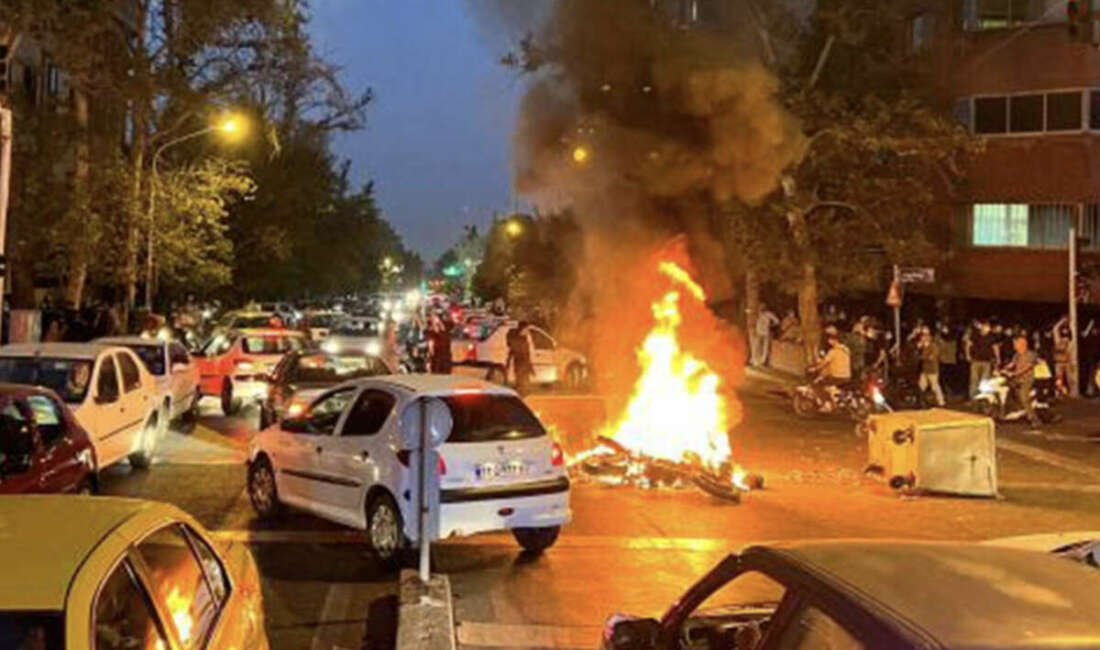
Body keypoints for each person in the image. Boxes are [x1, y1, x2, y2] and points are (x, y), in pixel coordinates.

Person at [1002, 335, 1041, 428]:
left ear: (1022, 344)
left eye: (1016, 344)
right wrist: (1003, 369)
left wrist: (1015, 373)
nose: (1014, 346)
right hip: (1016, 379)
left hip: (1026, 380)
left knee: (1024, 397)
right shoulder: (1016, 355)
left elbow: (1027, 367)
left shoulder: (1031, 354)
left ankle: (1034, 419)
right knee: (1004, 389)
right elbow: (1011, 364)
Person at [809, 331, 851, 406]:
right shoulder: (846, 350)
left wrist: (815, 369)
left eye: (830, 340)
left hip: (836, 376)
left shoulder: (833, 352)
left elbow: (824, 363)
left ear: (835, 340)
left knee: (818, 384)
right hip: (847, 376)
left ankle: (825, 403)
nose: (829, 342)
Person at [966, 320, 996, 397]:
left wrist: (997, 358)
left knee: (985, 380)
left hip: (987, 361)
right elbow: (968, 344)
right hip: (976, 360)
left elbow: (995, 347)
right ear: (982, 327)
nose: (988, 328)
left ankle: (983, 396)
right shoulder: (975, 335)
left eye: (988, 327)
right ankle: (973, 396)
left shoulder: (991, 336)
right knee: (974, 380)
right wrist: (968, 355)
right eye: (986, 326)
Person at [917, 331, 946, 406]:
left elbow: (931, 357)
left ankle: (941, 401)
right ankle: (921, 401)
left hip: (932, 370)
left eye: (924, 339)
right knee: (921, 385)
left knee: (935, 386)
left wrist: (923, 357)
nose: (922, 340)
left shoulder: (933, 346)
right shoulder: (923, 348)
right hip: (925, 370)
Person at [506, 321, 535, 395]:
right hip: (519, 363)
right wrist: (508, 363)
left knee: (524, 381)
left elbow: (527, 353)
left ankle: (522, 392)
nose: (527, 331)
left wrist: (530, 366)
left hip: (524, 364)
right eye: (526, 329)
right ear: (522, 328)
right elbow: (512, 351)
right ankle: (520, 393)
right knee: (520, 381)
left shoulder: (524, 338)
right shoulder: (516, 339)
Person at [1052, 316, 1072, 396]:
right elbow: (1055, 329)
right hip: (1059, 361)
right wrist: (1062, 321)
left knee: (1068, 377)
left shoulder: (1068, 343)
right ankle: (1058, 391)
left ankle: (1064, 390)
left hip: (1066, 361)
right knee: (1059, 377)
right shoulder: (1058, 341)